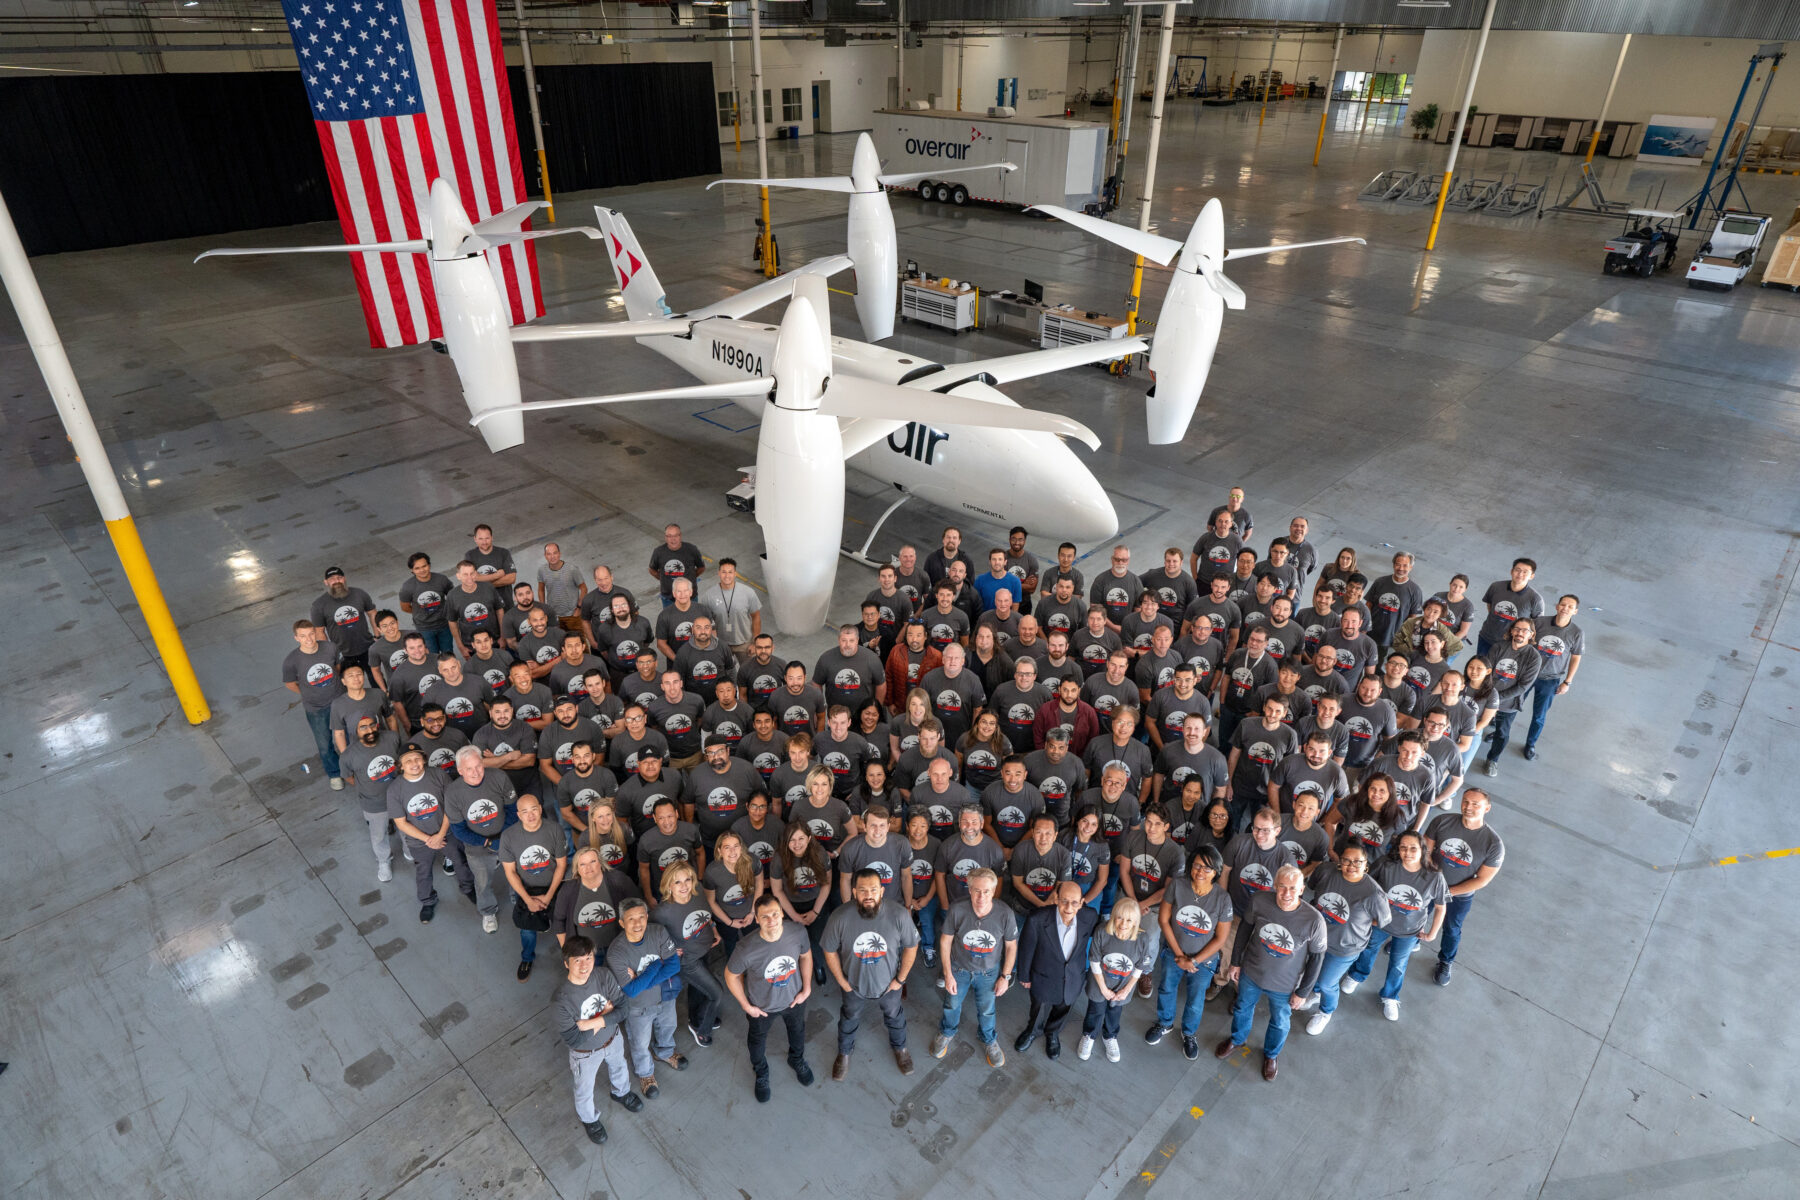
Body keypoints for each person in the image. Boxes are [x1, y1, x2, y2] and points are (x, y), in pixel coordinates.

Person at [1215, 864, 1326, 1081]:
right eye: (1282, 887)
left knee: (1280, 1022)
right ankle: (1237, 1039)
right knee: (1242, 1008)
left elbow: (1317, 958)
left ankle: (1271, 1055)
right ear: (1274, 885)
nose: (1287, 894)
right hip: (1252, 973)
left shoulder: (1314, 920)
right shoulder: (1259, 900)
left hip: (1285, 985)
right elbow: (1245, 929)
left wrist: (1303, 992)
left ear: (1302, 890)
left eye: (1293, 888)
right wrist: (1235, 962)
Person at [821, 867, 921, 1079]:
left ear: (882, 891)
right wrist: (842, 981)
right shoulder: (839, 917)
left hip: (889, 985)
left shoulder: (899, 914)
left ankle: (901, 1048)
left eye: (873, 890)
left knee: (895, 1016)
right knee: (849, 1017)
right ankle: (844, 1053)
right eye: (863, 890)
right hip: (853, 986)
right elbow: (828, 950)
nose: (868, 895)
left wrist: (900, 980)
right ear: (854, 892)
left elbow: (912, 946)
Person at [1344, 830, 1447, 1020]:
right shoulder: (1386, 865)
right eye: (1403, 848)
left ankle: (1390, 995)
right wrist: (1368, 916)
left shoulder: (1434, 877)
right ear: (1397, 849)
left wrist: (1432, 933)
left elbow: (1440, 907)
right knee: (1367, 949)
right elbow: (1366, 884)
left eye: (1413, 848)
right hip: (1380, 924)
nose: (1408, 852)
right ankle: (1357, 975)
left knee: (1399, 964)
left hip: (1410, 931)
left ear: (1423, 850)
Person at [554, 934, 644, 1146]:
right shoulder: (561, 1000)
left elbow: (622, 1009)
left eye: (588, 958)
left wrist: (592, 1022)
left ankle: (621, 1093)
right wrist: (605, 1015)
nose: (585, 965)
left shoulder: (603, 975)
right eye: (578, 960)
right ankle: (589, 1118)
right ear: (566, 964)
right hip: (585, 1054)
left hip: (612, 1038)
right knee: (584, 1089)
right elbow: (575, 1039)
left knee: (620, 1066)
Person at [725, 894, 815, 1102]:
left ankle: (797, 1059)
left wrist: (807, 989)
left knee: (798, 1031)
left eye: (775, 914)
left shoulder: (798, 932)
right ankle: (761, 1072)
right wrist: (746, 1006)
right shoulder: (746, 948)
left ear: (782, 913)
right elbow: (730, 975)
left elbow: (806, 956)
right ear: (756, 919)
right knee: (757, 1042)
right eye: (765, 917)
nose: (771, 920)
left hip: (794, 1000)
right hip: (762, 1007)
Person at [1147, 845, 1232, 1060]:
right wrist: (1179, 955)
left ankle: (1189, 1033)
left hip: (1203, 962)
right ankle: (1165, 1023)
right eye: (1197, 865)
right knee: (1166, 988)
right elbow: (1163, 919)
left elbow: (1221, 938)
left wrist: (1193, 960)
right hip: (1173, 953)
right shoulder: (1177, 885)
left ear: (1216, 872)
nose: (1200, 871)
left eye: (1207, 868)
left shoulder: (1223, 899)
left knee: (1195, 1000)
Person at [1297, 844, 1390, 1035]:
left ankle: (1325, 1011)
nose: (1351, 865)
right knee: (1312, 972)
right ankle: (1314, 993)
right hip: (1317, 938)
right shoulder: (1325, 871)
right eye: (1346, 860)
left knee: (1327, 983)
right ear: (1339, 862)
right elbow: (1312, 888)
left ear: (1366, 865)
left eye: (1358, 861)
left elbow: (1383, 920)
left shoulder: (1373, 892)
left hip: (1345, 947)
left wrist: (1358, 924)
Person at [931, 867, 1018, 1067]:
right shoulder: (957, 909)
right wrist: (948, 973)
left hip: (989, 973)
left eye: (987, 891)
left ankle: (989, 1039)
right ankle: (947, 1031)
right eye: (977, 890)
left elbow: (1011, 946)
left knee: (987, 1010)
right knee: (952, 1004)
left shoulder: (1005, 913)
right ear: (969, 889)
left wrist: (1005, 976)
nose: (981, 896)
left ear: (994, 891)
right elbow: (945, 941)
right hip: (959, 969)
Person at [607, 897, 688, 1098]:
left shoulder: (658, 932)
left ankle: (665, 1052)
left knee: (668, 1026)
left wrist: (642, 979)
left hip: (666, 996)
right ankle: (645, 1073)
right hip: (638, 1007)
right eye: (631, 919)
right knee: (640, 1042)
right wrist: (655, 965)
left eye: (641, 917)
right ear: (621, 923)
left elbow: (674, 966)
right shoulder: (616, 952)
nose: (637, 924)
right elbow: (632, 991)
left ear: (647, 917)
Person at [1426, 787, 1504, 986]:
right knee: (1417, 914)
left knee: (1452, 928)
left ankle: (1445, 961)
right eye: (1466, 801)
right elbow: (1425, 852)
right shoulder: (1441, 821)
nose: (1468, 807)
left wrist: (1447, 892)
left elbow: (1482, 880)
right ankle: (1409, 942)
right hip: (1429, 885)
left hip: (1459, 895)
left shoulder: (1493, 844)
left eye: (1475, 804)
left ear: (1487, 809)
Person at [1013, 881, 1099, 1059]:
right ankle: (1033, 1030)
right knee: (1037, 1008)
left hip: (1073, 977)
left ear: (1082, 902)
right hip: (1042, 976)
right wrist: (1024, 975)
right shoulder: (1037, 918)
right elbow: (1026, 948)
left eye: (1074, 902)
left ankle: (1052, 1033)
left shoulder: (1089, 917)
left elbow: (1103, 935)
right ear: (1056, 899)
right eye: (1064, 901)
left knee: (1063, 1007)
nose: (1068, 908)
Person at [445, 745, 517, 933]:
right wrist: (486, 842)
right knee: (483, 882)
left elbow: (512, 808)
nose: (476, 772)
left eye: (478, 766)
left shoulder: (499, 777)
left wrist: (504, 837)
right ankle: (488, 912)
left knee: (517, 873)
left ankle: (519, 900)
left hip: (507, 839)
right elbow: (458, 829)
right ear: (460, 771)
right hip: (478, 847)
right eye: (469, 769)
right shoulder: (453, 793)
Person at [388, 744, 463, 922]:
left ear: (423, 760)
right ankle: (427, 901)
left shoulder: (438, 775)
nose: (414, 763)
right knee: (423, 872)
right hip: (419, 841)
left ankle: (469, 889)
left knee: (461, 862)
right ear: (401, 766)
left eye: (417, 758)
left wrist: (440, 834)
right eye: (408, 760)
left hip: (447, 832)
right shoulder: (394, 790)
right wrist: (429, 839)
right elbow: (401, 823)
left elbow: (451, 806)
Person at [1078, 897, 1157, 1063]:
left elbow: (1139, 966)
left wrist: (1126, 990)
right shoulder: (1102, 931)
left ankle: (1110, 1036)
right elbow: (1094, 960)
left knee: (1114, 1012)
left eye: (1129, 920)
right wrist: (1104, 989)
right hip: (1100, 983)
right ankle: (1089, 1035)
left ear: (1136, 921)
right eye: (1120, 917)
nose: (1123, 923)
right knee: (1095, 1010)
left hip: (1122, 985)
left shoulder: (1142, 939)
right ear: (1114, 915)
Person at [283, 618, 345, 787]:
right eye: (303, 636)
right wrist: (308, 693)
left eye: (311, 634)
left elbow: (337, 668)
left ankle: (352, 767)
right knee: (325, 743)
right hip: (316, 708)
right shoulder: (291, 661)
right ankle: (335, 774)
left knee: (349, 734)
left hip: (340, 700)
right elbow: (290, 684)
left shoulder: (330, 648)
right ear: (296, 638)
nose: (309, 639)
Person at [340, 714, 403, 880]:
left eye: (372, 725)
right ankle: (384, 861)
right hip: (374, 803)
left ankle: (411, 851)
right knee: (379, 835)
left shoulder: (392, 738)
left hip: (400, 797)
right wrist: (367, 787)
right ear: (355, 731)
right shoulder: (348, 755)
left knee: (407, 829)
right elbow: (348, 777)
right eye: (363, 727)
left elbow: (402, 760)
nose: (369, 730)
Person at [553, 846, 643, 959]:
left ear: (600, 863)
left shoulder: (619, 880)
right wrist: (568, 952)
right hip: (585, 951)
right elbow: (559, 920)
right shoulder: (568, 889)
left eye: (592, 861)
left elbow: (639, 908)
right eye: (582, 864)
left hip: (620, 946)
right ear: (577, 869)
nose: (588, 867)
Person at [772, 819, 835, 980]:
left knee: (817, 940)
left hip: (816, 903)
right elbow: (777, 891)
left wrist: (815, 911)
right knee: (792, 942)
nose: (797, 844)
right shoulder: (779, 858)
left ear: (809, 838)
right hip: (790, 906)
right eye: (792, 840)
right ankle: (796, 972)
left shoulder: (820, 854)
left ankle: (819, 966)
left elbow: (826, 885)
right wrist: (793, 916)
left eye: (800, 839)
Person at [1524, 594, 1584, 759]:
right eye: (1563, 604)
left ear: (1575, 611)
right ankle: (1498, 730)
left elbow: (1576, 657)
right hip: (1528, 674)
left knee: (1539, 716)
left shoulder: (1576, 633)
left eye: (1570, 607)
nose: (1565, 608)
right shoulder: (1540, 622)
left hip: (1550, 680)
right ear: (1557, 606)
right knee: (1511, 706)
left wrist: (1567, 682)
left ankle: (1530, 744)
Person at [1480, 618, 1542, 776]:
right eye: (1517, 629)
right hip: (1486, 695)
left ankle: (1493, 759)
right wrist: (1487, 694)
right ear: (1512, 631)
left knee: (1502, 733)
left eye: (1525, 630)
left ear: (1531, 634)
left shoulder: (1534, 657)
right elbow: (1487, 671)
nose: (1520, 633)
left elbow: (1523, 686)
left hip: (1509, 703)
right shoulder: (1499, 647)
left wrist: (1497, 698)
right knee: (1475, 723)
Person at [310, 566, 376, 671]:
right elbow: (319, 632)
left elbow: (372, 613)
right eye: (332, 579)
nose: (336, 581)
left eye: (339, 577)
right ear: (326, 582)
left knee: (376, 677)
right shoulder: (319, 605)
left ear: (344, 578)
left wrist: (377, 635)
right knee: (348, 683)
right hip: (342, 653)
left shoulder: (359, 594)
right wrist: (329, 653)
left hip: (367, 647)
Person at [1476, 558, 1544, 659]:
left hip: (1512, 645)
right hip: (1487, 638)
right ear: (1512, 571)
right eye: (1518, 570)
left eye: (1525, 572)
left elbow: (1536, 625)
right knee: (1479, 670)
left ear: (1532, 576)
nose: (1520, 574)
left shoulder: (1535, 599)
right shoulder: (1496, 587)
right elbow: (1490, 606)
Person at [885, 618, 942, 709]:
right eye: (910, 635)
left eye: (919, 635)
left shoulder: (937, 656)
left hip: (924, 708)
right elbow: (889, 677)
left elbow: (939, 685)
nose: (914, 639)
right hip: (900, 706)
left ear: (925, 636)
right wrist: (890, 703)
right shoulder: (896, 651)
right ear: (906, 635)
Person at [648, 524, 704, 608]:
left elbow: (701, 568)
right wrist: (663, 578)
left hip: (690, 597)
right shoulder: (658, 552)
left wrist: (691, 577)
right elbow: (652, 570)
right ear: (665, 537)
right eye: (669, 536)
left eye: (675, 536)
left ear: (680, 536)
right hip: (668, 599)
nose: (673, 539)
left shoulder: (691, 549)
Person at [1090, 546, 1145, 631]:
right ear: (1112, 559)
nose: (1120, 563)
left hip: (1128, 629)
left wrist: (1127, 627)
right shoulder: (1100, 580)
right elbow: (1095, 609)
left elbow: (1138, 609)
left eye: (1124, 560)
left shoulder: (1136, 582)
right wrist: (1113, 627)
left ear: (1128, 561)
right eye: (1117, 559)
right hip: (1104, 630)